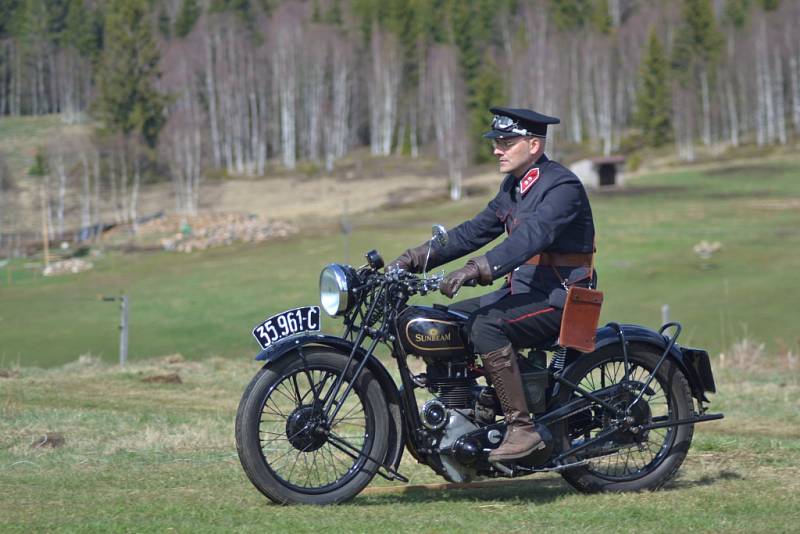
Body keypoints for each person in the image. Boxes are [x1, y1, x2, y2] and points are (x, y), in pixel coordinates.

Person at [390, 107, 596, 463]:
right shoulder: (514, 187)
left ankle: (522, 428)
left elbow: (532, 237)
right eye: (496, 142)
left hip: (560, 297)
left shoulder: (562, 186)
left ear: (533, 145)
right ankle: (478, 405)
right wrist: (411, 259)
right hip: (523, 292)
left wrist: (478, 268)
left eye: (506, 142)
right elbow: (474, 231)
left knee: (488, 325)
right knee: (449, 319)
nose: (497, 150)